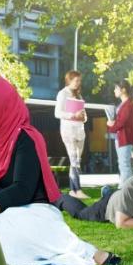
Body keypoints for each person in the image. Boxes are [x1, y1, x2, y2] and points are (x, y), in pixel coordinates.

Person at [0, 76, 122, 265]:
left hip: (35, 216)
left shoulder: (26, 138)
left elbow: (22, 191)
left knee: (7, 226)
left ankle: (88, 251)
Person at [55, 70, 88, 198]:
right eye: (76, 80)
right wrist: (73, 115)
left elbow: (84, 115)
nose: (78, 83)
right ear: (69, 80)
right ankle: (76, 190)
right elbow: (57, 113)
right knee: (74, 160)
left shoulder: (79, 96)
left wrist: (83, 117)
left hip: (80, 131)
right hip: (69, 131)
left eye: (79, 80)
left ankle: (73, 190)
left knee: (77, 161)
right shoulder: (62, 94)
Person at [105, 79, 133, 184]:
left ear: (123, 90)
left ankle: (124, 188)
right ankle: (129, 187)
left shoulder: (128, 105)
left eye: (116, 88)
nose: (114, 90)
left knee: (124, 164)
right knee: (123, 164)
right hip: (121, 138)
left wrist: (111, 126)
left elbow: (121, 123)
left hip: (125, 138)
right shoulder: (124, 104)